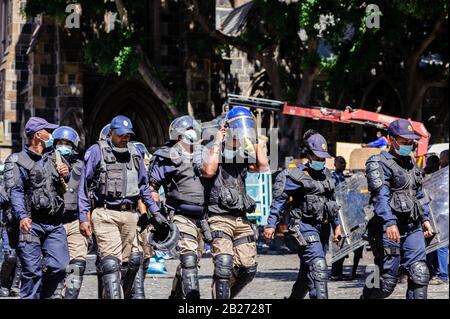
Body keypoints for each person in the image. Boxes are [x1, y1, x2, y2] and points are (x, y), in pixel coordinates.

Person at [78, 115, 164, 299]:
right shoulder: (96, 151)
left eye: (128, 135)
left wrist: (155, 212)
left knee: (129, 264)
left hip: (129, 215)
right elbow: (83, 187)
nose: (125, 138)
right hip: (105, 213)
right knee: (111, 264)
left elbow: (143, 186)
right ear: (111, 133)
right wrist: (84, 217)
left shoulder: (135, 153)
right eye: (121, 134)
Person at [200, 107, 270, 299]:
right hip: (218, 217)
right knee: (223, 265)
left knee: (248, 269)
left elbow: (263, 166)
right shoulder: (210, 149)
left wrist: (254, 140)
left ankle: (222, 296)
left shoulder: (242, 152)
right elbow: (208, 171)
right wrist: (218, 141)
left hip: (241, 219)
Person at [264, 130, 342, 299]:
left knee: (307, 273)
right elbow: (279, 201)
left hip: (323, 229)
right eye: (318, 157)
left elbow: (332, 203)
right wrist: (271, 224)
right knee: (319, 267)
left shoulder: (327, 175)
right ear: (308, 154)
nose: (321, 161)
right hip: (303, 227)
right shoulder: (294, 176)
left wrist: (337, 226)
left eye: (323, 158)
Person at [361, 119, 434, 299]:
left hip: (412, 226)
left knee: (420, 273)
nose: (409, 145)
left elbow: (417, 194)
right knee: (385, 283)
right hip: (386, 229)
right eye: (404, 141)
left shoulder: (410, 162)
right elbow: (380, 196)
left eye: (411, 142)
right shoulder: (378, 162)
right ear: (390, 139)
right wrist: (389, 222)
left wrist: (424, 218)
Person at [3, 117, 70, 299]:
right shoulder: (17, 161)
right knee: (32, 273)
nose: (51, 134)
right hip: (31, 224)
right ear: (38, 135)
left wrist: (66, 172)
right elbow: (15, 192)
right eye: (47, 130)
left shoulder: (55, 157)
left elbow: (63, 183)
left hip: (54, 225)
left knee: (60, 267)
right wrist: (22, 216)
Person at [149, 115, 207, 299]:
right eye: (185, 130)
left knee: (192, 261)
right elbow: (152, 188)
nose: (190, 132)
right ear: (177, 135)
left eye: (192, 129)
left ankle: (175, 297)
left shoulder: (205, 154)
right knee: (188, 259)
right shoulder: (167, 156)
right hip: (180, 214)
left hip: (205, 217)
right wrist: (157, 215)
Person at [51, 126, 87, 299]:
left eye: (67, 143)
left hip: (74, 220)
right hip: (52, 222)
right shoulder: (46, 162)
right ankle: (55, 293)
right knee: (55, 265)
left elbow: (86, 194)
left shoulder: (81, 167)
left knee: (77, 263)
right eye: (60, 142)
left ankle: (70, 296)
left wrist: (86, 219)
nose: (63, 145)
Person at [330, 156, 363, 281]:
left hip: (346, 213)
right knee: (339, 243)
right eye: (340, 162)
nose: (343, 164)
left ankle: (339, 272)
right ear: (335, 164)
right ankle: (335, 273)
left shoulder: (344, 178)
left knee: (345, 243)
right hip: (338, 213)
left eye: (344, 163)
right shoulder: (334, 177)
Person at [0, 162, 22, 297]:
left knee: (22, 256)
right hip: (8, 225)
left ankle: (15, 285)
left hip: (25, 224)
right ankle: (3, 283)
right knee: (10, 256)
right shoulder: (3, 187)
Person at [429, 150, 449, 285]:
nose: (440, 161)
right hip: (444, 212)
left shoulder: (442, 175)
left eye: (441, 158)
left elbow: (432, 191)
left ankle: (443, 275)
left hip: (444, 213)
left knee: (442, 244)